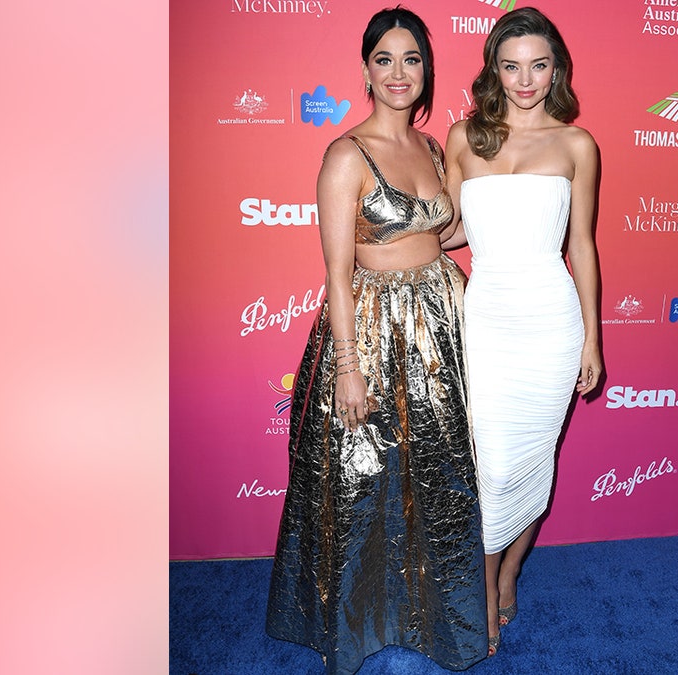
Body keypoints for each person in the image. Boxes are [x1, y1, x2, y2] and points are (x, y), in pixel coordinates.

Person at [265, 7, 488, 674]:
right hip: (369, 327)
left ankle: (435, 617)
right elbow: (336, 270)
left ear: (427, 71)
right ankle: (358, 623)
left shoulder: (431, 148)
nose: (398, 72)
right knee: (362, 483)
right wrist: (348, 370)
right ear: (366, 69)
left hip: (442, 322)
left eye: (411, 59)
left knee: (442, 478)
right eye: (385, 59)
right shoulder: (345, 156)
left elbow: (442, 231)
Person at [443, 6, 602, 655]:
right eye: (512, 66)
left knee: (534, 461)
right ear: (493, 71)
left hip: (551, 324)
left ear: (555, 68)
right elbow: (455, 230)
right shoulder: (463, 137)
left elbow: (583, 246)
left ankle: (509, 572)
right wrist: (393, 240)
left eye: (538, 65)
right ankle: (483, 590)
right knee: (491, 466)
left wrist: (593, 337)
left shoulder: (576, 145)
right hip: (485, 321)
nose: (525, 78)